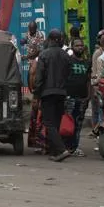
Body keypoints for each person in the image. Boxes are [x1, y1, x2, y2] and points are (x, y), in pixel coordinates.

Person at [33, 30, 72, 162]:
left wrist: (36, 95)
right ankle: (56, 152)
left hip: (47, 93)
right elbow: (68, 74)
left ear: (50, 39)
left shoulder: (44, 55)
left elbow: (39, 78)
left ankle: (61, 150)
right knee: (55, 122)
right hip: (61, 93)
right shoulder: (66, 55)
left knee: (49, 123)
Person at [64, 37, 91, 156]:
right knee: (68, 123)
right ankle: (66, 147)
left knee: (78, 124)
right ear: (72, 47)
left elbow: (89, 80)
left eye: (81, 45)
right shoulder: (68, 61)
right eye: (77, 45)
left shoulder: (87, 62)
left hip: (82, 98)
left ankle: (74, 147)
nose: (79, 47)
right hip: (69, 98)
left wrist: (89, 96)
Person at [90, 30, 104, 127]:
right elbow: (95, 71)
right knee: (97, 109)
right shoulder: (98, 54)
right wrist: (95, 85)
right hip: (99, 84)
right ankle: (96, 129)